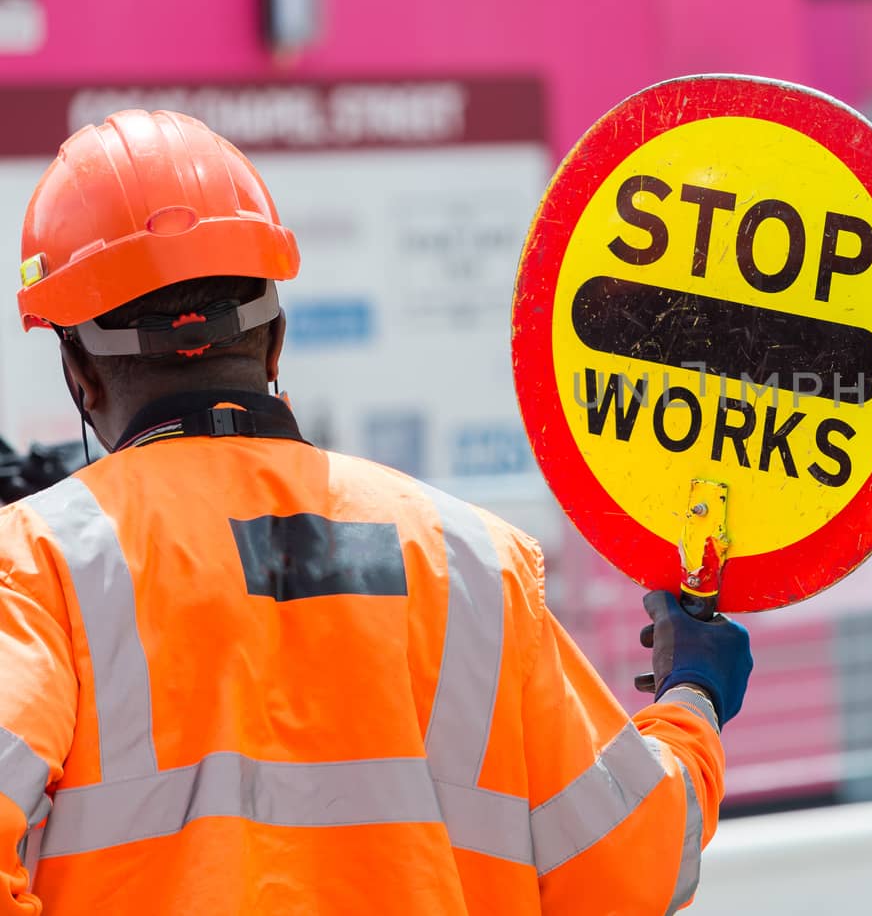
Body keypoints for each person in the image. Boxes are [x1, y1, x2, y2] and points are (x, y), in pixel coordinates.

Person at [0, 109, 753, 913]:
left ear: (80, 373)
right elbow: (634, 865)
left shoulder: (40, 566)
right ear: (275, 340)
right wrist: (691, 698)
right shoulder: (475, 564)